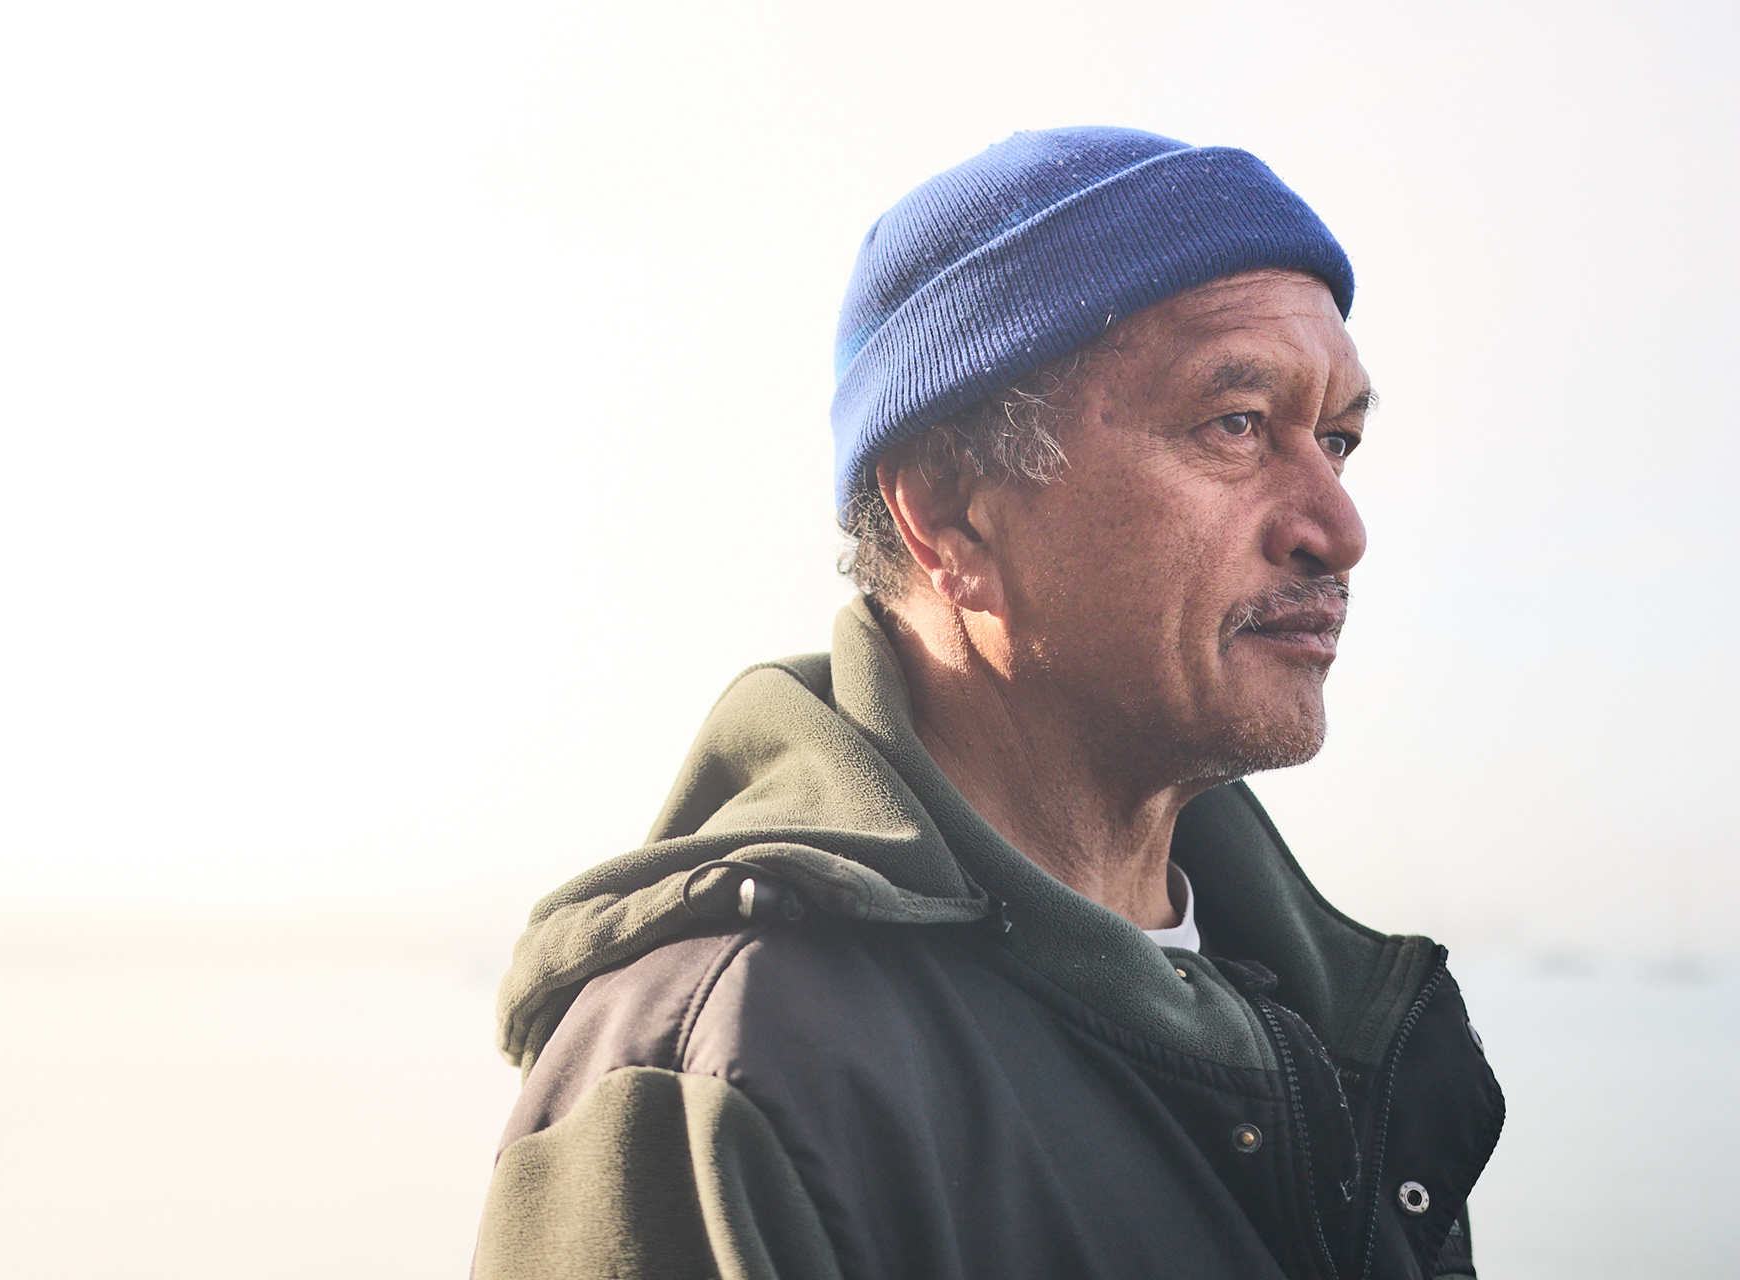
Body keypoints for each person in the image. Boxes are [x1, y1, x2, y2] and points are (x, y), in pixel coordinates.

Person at [473, 126, 1504, 1280]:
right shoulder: (723, 1073)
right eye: (1236, 425)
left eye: (1339, 439)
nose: (1337, 528)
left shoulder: (1334, 1026)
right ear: (952, 508)